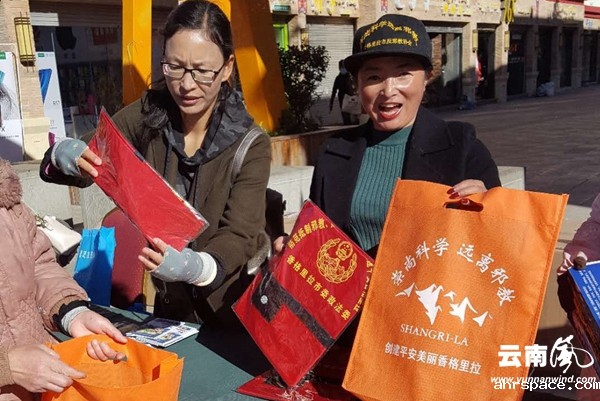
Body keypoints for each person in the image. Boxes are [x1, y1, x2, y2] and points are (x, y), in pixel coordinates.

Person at [40, 0, 271, 327]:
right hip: (170, 311)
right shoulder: (151, 113)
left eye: (202, 71)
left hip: (230, 314)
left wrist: (196, 266)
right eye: (174, 67)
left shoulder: (250, 143)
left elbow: (240, 233)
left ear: (227, 68)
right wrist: (64, 153)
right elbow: (94, 151)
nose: (186, 85)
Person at [278, 14, 501, 258]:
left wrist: (488, 209)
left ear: (426, 78)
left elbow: (498, 243)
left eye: (403, 73)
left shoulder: (462, 147)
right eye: (374, 77)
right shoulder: (334, 152)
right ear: (357, 85)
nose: (388, 90)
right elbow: (320, 236)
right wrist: (297, 247)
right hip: (348, 282)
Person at [0, 158, 127, 401]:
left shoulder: (7, 200)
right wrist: (8, 366)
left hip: (45, 385)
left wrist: (71, 312)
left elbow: (39, 266)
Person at [329, 60, 357, 125]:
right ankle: (347, 124)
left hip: (351, 97)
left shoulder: (350, 77)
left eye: (343, 66)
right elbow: (334, 90)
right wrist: (331, 103)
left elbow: (355, 86)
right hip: (342, 97)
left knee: (353, 113)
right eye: (341, 67)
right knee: (345, 114)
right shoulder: (338, 78)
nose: (342, 68)